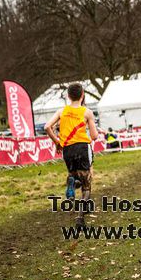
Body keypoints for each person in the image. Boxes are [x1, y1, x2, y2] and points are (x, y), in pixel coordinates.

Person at [45, 83, 98, 227]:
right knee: (87, 185)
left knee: (75, 175)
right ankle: (80, 218)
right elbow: (93, 136)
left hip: (67, 149)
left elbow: (47, 127)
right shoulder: (87, 112)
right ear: (82, 95)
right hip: (82, 147)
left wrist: (57, 142)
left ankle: (72, 182)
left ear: (68, 96)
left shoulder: (61, 111)